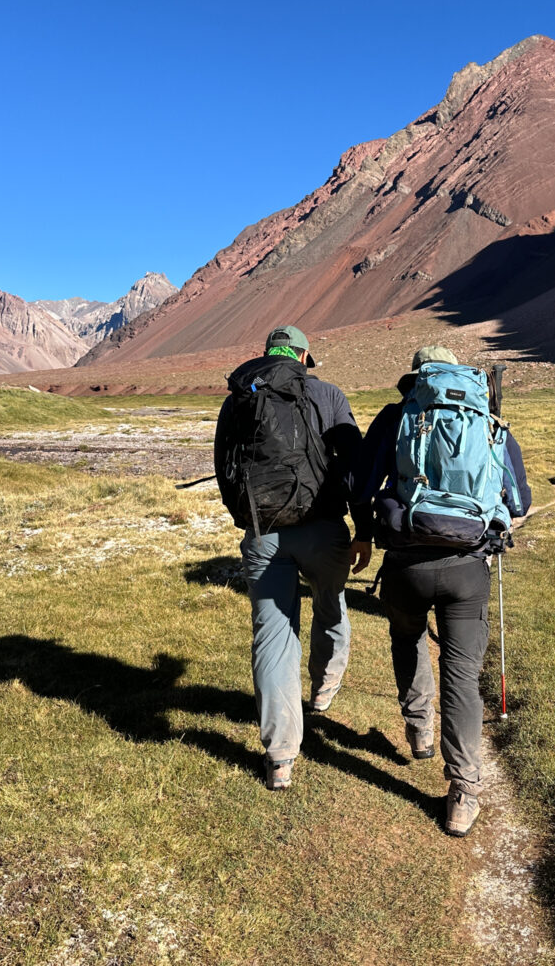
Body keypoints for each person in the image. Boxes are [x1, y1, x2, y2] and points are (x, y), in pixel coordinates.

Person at [350, 346, 531, 836]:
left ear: (417, 376)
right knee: (461, 676)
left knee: (407, 638)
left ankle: (419, 730)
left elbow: (360, 485)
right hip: (467, 568)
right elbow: (519, 501)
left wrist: (365, 530)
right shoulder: (487, 421)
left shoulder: (397, 417)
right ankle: (463, 793)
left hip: (405, 564)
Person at [214, 325, 371, 791]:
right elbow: (357, 466)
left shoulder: (239, 397)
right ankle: (324, 688)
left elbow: (224, 466)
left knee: (273, 637)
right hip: (324, 529)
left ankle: (280, 757)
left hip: (263, 532)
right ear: (304, 357)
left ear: (267, 354)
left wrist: (246, 519)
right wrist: (364, 529)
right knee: (330, 599)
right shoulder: (327, 394)